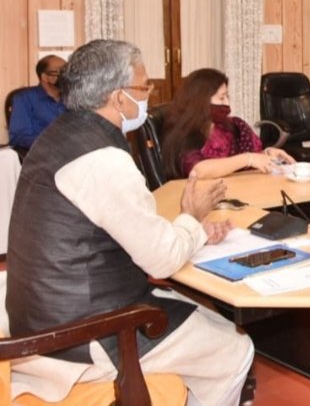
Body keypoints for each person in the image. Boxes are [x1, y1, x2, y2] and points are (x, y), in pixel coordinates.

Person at [5, 39, 254, 405]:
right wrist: (193, 214)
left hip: (40, 314)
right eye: (144, 87)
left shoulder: (58, 135)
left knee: (209, 318)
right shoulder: (102, 159)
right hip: (82, 335)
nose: (149, 95)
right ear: (119, 98)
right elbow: (162, 261)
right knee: (234, 346)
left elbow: (112, 227)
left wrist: (196, 232)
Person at [162, 68, 294, 180]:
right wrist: (249, 159)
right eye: (221, 98)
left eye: (227, 96)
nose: (227, 103)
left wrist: (267, 154)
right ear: (200, 101)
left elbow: (246, 161)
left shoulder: (233, 126)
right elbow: (197, 171)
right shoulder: (185, 133)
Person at [9, 55, 67, 151]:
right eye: (59, 71)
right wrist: (52, 143)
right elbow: (18, 137)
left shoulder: (72, 98)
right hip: (42, 153)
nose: (65, 76)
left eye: (67, 71)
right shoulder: (24, 99)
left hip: (73, 152)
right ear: (44, 77)